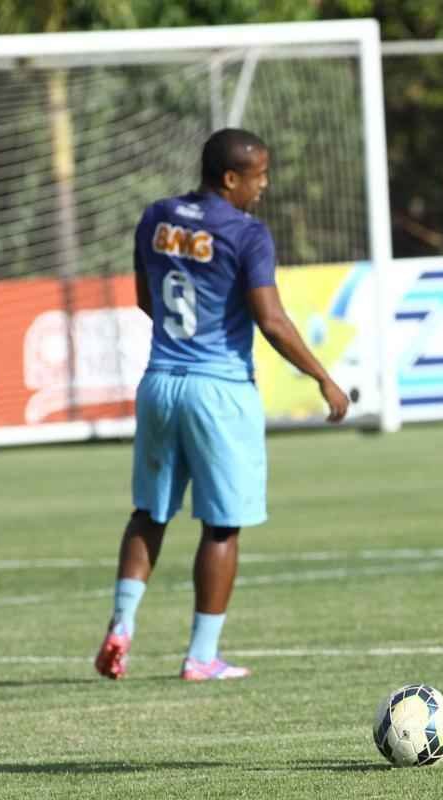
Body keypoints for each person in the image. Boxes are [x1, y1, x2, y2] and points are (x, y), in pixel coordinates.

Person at [94, 128, 350, 682]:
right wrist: (324, 378)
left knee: (150, 512)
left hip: (160, 380)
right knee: (222, 525)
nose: (264, 185)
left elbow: (146, 298)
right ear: (231, 178)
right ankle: (201, 656)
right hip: (219, 389)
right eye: (258, 176)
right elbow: (272, 318)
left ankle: (121, 626)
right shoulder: (246, 233)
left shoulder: (156, 216)